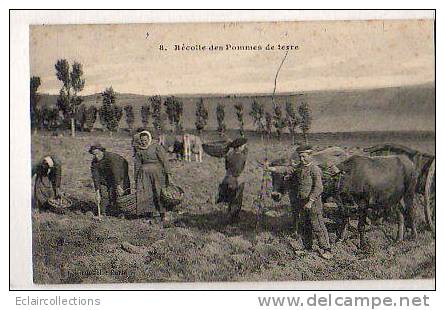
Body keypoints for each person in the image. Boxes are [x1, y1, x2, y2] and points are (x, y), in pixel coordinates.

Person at [287, 145, 332, 259]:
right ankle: (307, 247)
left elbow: (318, 187)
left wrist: (311, 201)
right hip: (302, 202)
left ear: (310, 155)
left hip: (313, 204)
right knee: (305, 225)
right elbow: (287, 170)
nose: (301, 159)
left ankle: (326, 249)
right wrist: (270, 168)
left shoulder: (314, 169)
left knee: (317, 226)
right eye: (300, 157)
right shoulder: (300, 167)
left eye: (304, 156)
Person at [133, 131, 171, 223]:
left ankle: (163, 214)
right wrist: (136, 177)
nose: (144, 142)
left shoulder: (156, 147)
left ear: (149, 139)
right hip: (144, 176)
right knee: (146, 193)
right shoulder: (138, 149)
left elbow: (164, 160)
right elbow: (137, 164)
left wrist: (168, 173)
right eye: (142, 140)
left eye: (145, 140)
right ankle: (149, 214)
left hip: (157, 174)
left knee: (159, 192)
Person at [89, 144, 130, 216]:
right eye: (94, 154)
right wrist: (97, 192)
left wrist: (118, 185)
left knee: (120, 193)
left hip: (120, 171)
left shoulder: (111, 158)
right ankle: (104, 212)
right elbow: (96, 177)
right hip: (106, 176)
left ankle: (122, 212)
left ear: (102, 151)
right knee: (104, 193)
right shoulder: (94, 162)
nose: (96, 156)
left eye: (97, 154)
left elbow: (116, 172)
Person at [217, 137, 248, 222]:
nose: (244, 147)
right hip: (236, 180)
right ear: (239, 147)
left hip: (227, 178)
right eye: (243, 145)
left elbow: (226, 167)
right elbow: (239, 168)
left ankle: (229, 215)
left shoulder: (229, 155)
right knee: (236, 200)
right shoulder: (241, 157)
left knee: (230, 199)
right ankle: (233, 219)